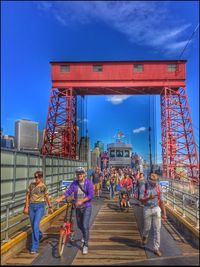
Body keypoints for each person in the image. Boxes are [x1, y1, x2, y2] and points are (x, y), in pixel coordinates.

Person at [55, 167, 94, 255]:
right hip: (78, 207)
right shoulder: (75, 183)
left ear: (84, 174)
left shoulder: (88, 183)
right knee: (79, 225)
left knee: (84, 225)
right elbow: (68, 192)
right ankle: (85, 235)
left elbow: (91, 195)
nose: (79, 175)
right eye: (78, 174)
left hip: (86, 207)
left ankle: (85, 245)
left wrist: (82, 201)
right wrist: (60, 198)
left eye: (81, 174)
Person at [23, 171, 53, 254]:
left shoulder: (44, 186)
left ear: (41, 177)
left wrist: (50, 207)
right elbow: (27, 196)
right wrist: (26, 207)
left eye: (38, 177)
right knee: (33, 226)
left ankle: (34, 247)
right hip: (31, 207)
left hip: (40, 207)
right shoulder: (31, 185)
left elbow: (47, 197)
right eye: (35, 177)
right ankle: (39, 235)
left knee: (35, 225)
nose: (37, 179)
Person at [139, 173, 167, 257]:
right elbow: (141, 201)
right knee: (147, 227)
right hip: (147, 208)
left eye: (155, 181)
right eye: (152, 181)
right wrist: (148, 198)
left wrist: (164, 214)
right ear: (149, 180)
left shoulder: (158, 187)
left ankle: (156, 248)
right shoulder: (144, 187)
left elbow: (161, 201)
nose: (154, 183)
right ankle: (144, 236)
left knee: (157, 229)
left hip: (156, 208)